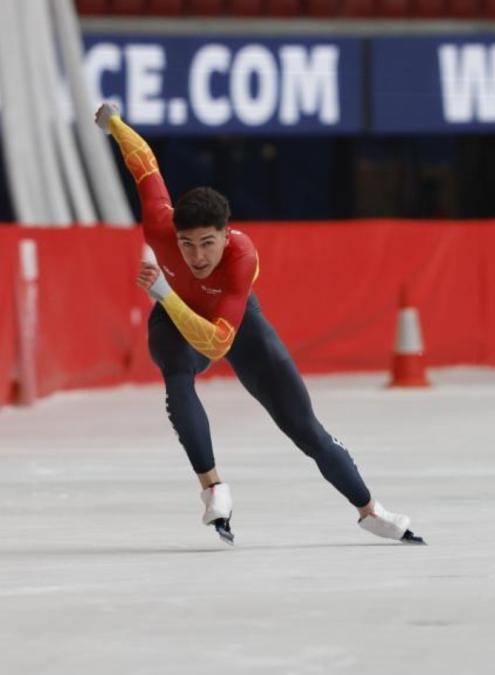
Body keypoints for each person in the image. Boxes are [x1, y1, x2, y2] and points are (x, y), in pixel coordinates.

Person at [95, 102, 423, 546]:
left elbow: (215, 344)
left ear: (225, 236)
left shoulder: (240, 256)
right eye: (186, 244)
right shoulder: (159, 224)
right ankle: (213, 488)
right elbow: (144, 164)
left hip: (233, 325)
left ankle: (369, 510)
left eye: (207, 243)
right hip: (173, 322)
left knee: (305, 428)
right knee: (176, 375)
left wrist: (166, 294)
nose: (196, 256)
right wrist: (115, 124)